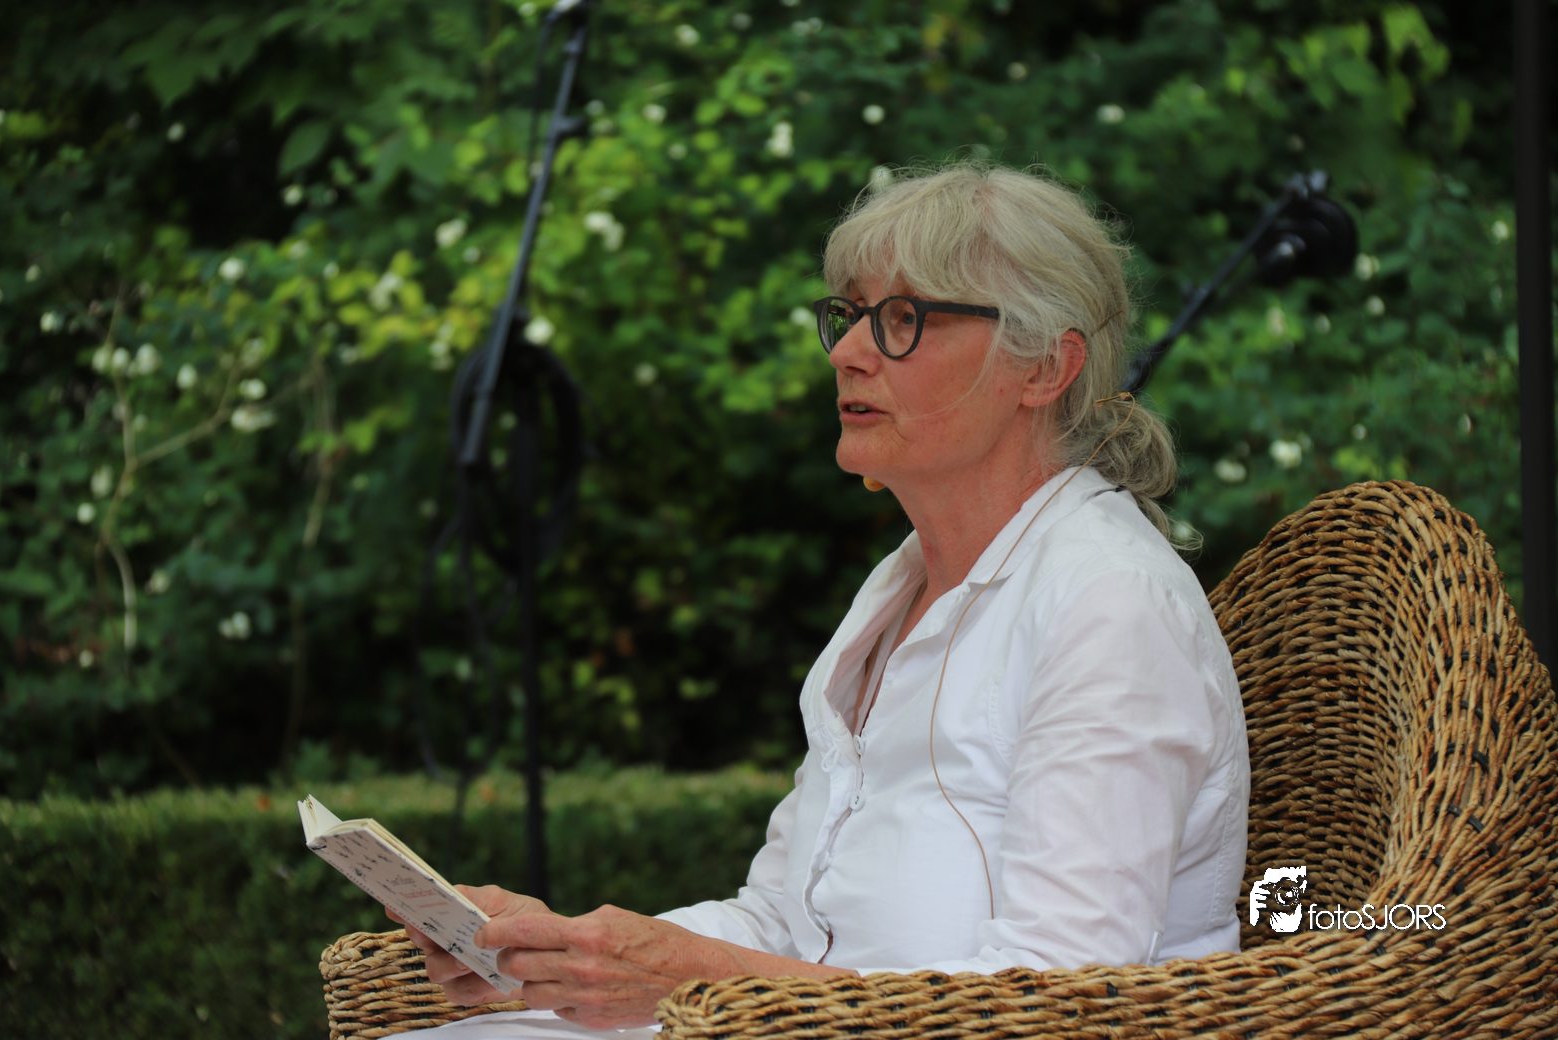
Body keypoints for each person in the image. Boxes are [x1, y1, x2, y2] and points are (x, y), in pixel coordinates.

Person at [394, 161, 1249, 1037]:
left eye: (904, 319)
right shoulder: (898, 589)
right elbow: (780, 922)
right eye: (850, 315)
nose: (847, 352)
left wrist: (692, 976)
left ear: (1044, 367)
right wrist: (565, 953)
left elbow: (1064, 995)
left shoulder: (1110, 603)